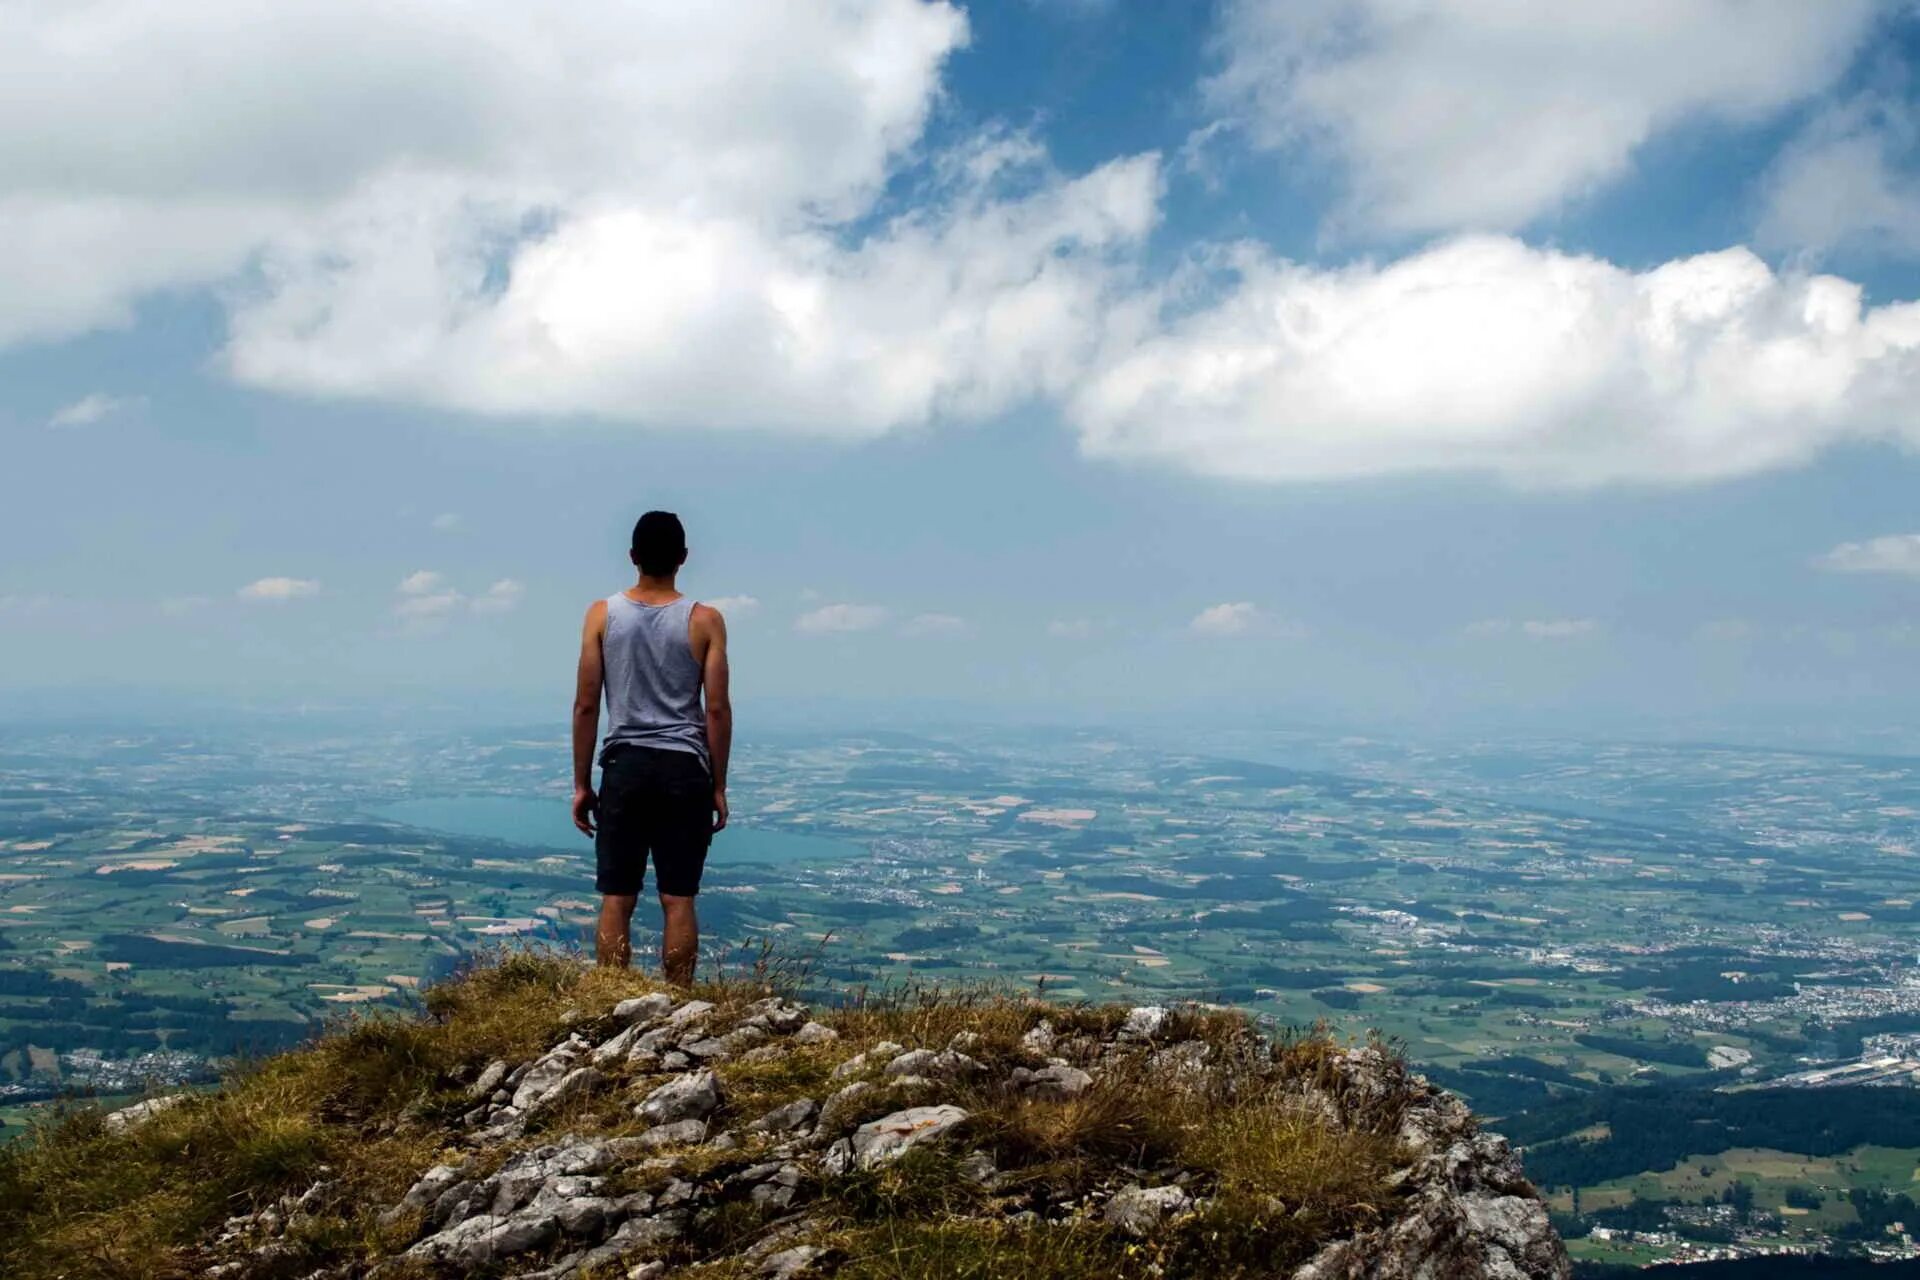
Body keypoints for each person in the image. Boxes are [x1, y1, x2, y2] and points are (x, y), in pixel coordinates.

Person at [571, 510, 731, 981]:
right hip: (685, 769)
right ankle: (677, 1002)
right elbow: (717, 710)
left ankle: (613, 998)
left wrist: (582, 783)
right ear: (683, 558)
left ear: (633, 557)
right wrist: (717, 784)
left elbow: (586, 705)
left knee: (617, 895)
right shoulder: (705, 621)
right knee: (678, 896)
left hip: (626, 765)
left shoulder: (602, 615)